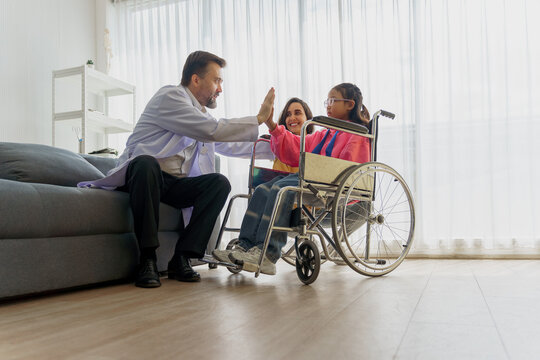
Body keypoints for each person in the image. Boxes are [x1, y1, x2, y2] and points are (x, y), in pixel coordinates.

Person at [78, 51, 275, 288]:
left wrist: (280, 146)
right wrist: (258, 118)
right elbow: (212, 130)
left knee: (218, 183)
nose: (220, 89)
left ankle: (182, 258)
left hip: (171, 185)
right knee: (146, 162)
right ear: (196, 79)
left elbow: (229, 143)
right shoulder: (170, 97)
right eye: (217, 81)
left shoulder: (201, 115)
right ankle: (147, 259)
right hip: (143, 177)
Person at [212, 83, 370, 275]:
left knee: (281, 190)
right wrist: (271, 125)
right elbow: (298, 145)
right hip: (313, 178)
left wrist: (319, 172)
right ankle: (244, 246)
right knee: (262, 189)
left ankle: (268, 254)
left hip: (328, 182)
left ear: (349, 104)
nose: (327, 104)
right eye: (326, 101)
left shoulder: (357, 134)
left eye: (332, 100)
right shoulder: (326, 133)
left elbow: (349, 167)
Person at [271, 97, 314, 173]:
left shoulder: (316, 144)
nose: (292, 118)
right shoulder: (283, 150)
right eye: (288, 115)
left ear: (307, 117)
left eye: (297, 113)